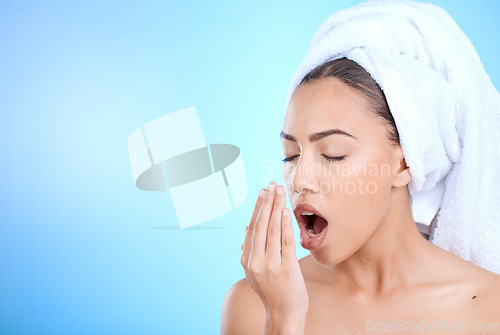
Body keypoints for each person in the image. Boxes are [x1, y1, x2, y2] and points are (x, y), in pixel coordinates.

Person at [221, 1, 500, 334]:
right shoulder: (255, 305)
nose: (301, 179)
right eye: (291, 155)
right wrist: (283, 320)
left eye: (333, 154)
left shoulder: (488, 308)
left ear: (404, 162)